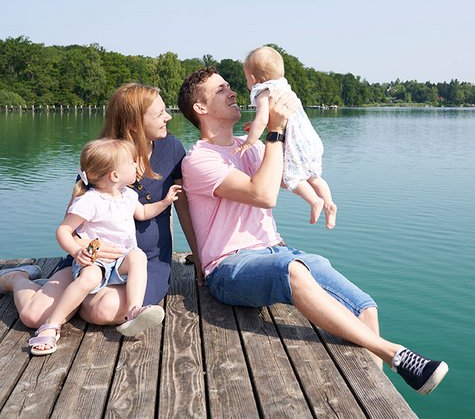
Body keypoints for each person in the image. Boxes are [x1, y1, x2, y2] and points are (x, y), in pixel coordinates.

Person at [177, 67, 448, 396]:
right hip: (229, 267)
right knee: (293, 271)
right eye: (221, 90)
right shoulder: (199, 160)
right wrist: (273, 131)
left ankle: (376, 396)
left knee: (364, 306)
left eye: (231, 87)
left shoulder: (249, 148)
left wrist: (311, 172)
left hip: (276, 250)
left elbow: (291, 176)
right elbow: (263, 194)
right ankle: (395, 354)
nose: (233, 92)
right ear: (200, 108)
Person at [0, 82, 200, 351]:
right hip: (91, 261)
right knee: (33, 316)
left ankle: (74, 300)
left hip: (142, 261)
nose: (168, 117)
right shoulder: (103, 157)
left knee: (103, 311)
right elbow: (70, 223)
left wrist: (200, 256)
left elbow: (182, 206)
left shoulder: (171, 147)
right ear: (133, 124)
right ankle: (18, 279)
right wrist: (85, 249)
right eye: (160, 113)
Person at [28, 138, 182, 355]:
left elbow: (143, 213)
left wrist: (165, 202)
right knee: (89, 278)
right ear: (115, 175)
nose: (136, 166)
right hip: (95, 260)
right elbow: (63, 230)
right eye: (131, 162)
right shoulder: (90, 201)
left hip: (120, 259)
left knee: (137, 257)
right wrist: (76, 251)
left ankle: (133, 310)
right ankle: (52, 324)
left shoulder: (128, 195)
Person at [234, 46, 336, 228]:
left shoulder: (261, 91)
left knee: (291, 177)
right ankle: (329, 203)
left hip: (295, 142)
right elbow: (272, 119)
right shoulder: (282, 85)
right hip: (310, 139)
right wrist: (257, 127)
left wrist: (249, 142)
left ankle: (314, 201)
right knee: (314, 177)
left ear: (252, 78)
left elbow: (263, 118)